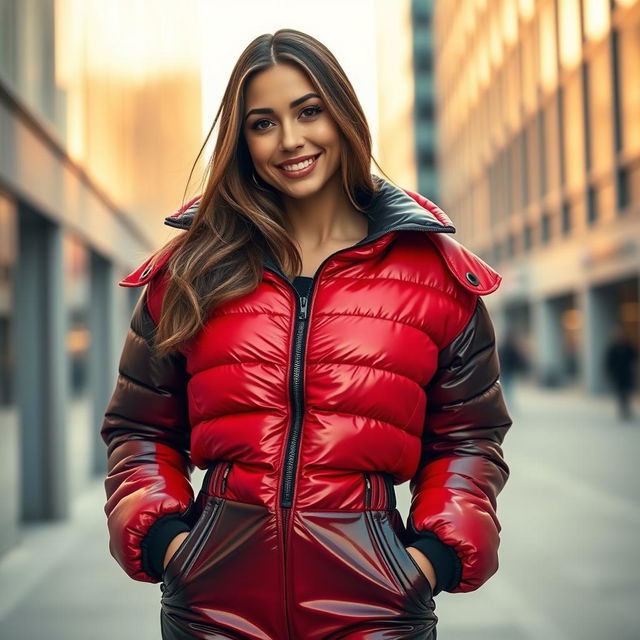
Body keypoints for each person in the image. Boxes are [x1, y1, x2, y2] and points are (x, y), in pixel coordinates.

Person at [101, 28, 512, 640]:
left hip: (375, 611)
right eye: (262, 123)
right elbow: (138, 429)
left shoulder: (436, 278)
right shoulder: (190, 272)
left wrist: (432, 559)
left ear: (343, 115)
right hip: (213, 611)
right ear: (242, 141)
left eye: (309, 111)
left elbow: (471, 439)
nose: (290, 140)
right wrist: (169, 543)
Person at [604, 325, 638, 420]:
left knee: (626, 392)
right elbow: (609, 361)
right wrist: (610, 372)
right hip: (618, 374)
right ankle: (622, 409)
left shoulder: (628, 346)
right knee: (620, 392)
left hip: (627, 373)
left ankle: (627, 408)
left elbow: (634, 357)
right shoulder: (613, 348)